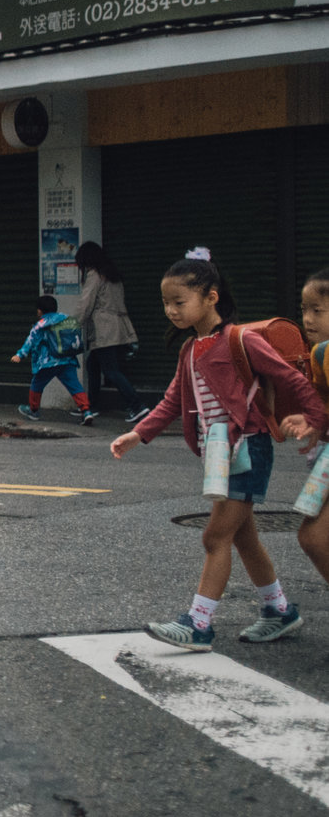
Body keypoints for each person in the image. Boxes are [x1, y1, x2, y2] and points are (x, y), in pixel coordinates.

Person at [112, 250, 324, 648]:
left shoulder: (241, 340)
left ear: (211, 297)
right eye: (166, 303)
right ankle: (279, 610)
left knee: (214, 536)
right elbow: (173, 401)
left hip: (249, 449)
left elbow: (291, 379)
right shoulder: (190, 350)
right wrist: (137, 434)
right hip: (219, 456)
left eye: (180, 302)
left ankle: (199, 623)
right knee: (243, 537)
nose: (171, 311)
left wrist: (316, 419)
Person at [284, 266, 329, 599]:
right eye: (304, 310)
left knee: (314, 537)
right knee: (312, 538)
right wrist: (313, 420)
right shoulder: (320, 354)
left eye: (318, 310)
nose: (308, 319)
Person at [75, 242, 146, 421]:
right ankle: (91, 406)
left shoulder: (94, 275)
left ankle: (137, 406)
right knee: (93, 364)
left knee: (111, 370)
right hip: (118, 326)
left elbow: (86, 303)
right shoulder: (112, 274)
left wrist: (71, 323)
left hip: (104, 328)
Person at [12, 294, 94, 423]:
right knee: (75, 386)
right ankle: (86, 411)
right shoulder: (65, 318)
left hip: (48, 362)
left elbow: (31, 341)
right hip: (67, 360)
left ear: (39, 310)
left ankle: (33, 410)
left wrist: (20, 354)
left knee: (37, 385)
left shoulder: (41, 324)